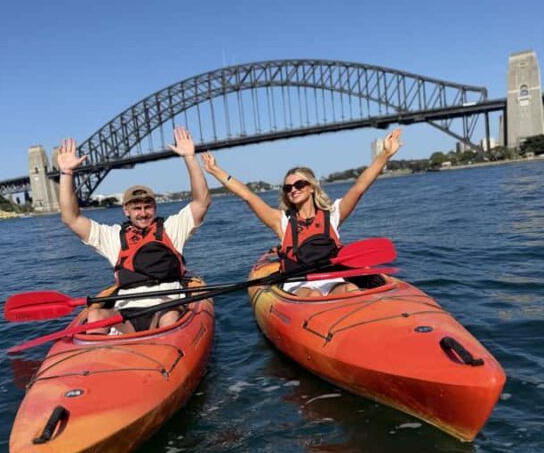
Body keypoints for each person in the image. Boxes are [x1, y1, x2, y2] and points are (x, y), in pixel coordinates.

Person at [201, 128, 402, 298]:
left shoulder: (332, 215)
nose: (293, 190)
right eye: (288, 188)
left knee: (350, 289)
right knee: (313, 295)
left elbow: (359, 188)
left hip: (331, 277)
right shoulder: (281, 221)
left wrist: (384, 155)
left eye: (299, 184)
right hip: (298, 283)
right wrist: (216, 170)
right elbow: (248, 196)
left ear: (312, 187)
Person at [57, 126, 211, 332]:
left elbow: (201, 202)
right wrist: (67, 173)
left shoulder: (172, 228)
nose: (143, 213)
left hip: (165, 309)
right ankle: (99, 358)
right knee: (95, 315)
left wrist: (190, 158)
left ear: (154, 208)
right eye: (136, 208)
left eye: (148, 207)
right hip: (126, 314)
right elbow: (71, 218)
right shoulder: (112, 236)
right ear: (126, 211)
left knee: (170, 317)